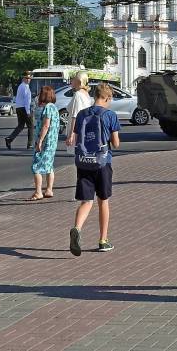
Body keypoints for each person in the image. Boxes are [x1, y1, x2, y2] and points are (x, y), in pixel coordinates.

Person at [69, 83, 121, 256]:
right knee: (103, 201)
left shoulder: (83, 114)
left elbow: (77, 137)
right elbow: (116, 143)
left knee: (86, 201)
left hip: (84, 162)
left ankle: (77, 228)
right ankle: (103, 240)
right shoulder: (110, 115)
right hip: (102, 162)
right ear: (107, 98)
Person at [29, 85, 60, 201]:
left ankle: (38, 192)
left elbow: (46, 125)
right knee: (49, 166)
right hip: (52, 142)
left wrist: (40, 141)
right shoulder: (55, 108)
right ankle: (49, 189)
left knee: (36, 166)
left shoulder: (47, 108)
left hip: (45, 141)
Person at [5, 72, 34, 150]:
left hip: (19, 108)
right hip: (24, 108)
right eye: (27, 78)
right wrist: (28, 112)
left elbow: (19, 98)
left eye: (29, 78)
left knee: (20, 126)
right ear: (23, 79)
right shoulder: (26, 87)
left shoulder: (20, 86)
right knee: (31, 126)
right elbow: (27, 101)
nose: (28, 80)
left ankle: (9, 139)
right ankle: (30, 144)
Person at [65, 71, 94, 149]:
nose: (71, 81)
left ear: (79, 81)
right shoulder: (86, 94)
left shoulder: (78, 95)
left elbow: (75, 116)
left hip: (76, 130)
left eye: (73, 79)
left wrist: (71, 135)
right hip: (84, 128)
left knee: (77, 154)